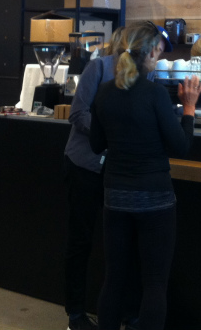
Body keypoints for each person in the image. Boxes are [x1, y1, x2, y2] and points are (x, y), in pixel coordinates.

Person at [89, 22, 201, 330]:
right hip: (154, 198)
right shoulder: (155, 94)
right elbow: (181, 146)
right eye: (159, 52)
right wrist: (189, 109)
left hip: (115, 196)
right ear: (150, 53)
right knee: (154, 283)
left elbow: (96, 144)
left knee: (114, 279)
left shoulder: (104, 92)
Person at [62, 24, 173, 330]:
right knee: (82, 240)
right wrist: (114, 136)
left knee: (122, 252)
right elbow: (78, 112)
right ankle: (75, 313)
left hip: (117, 172)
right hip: (85, 165)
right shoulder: (98, 68)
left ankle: (125, 313)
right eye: (155, 49)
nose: (156, 55)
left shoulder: (147, 75)